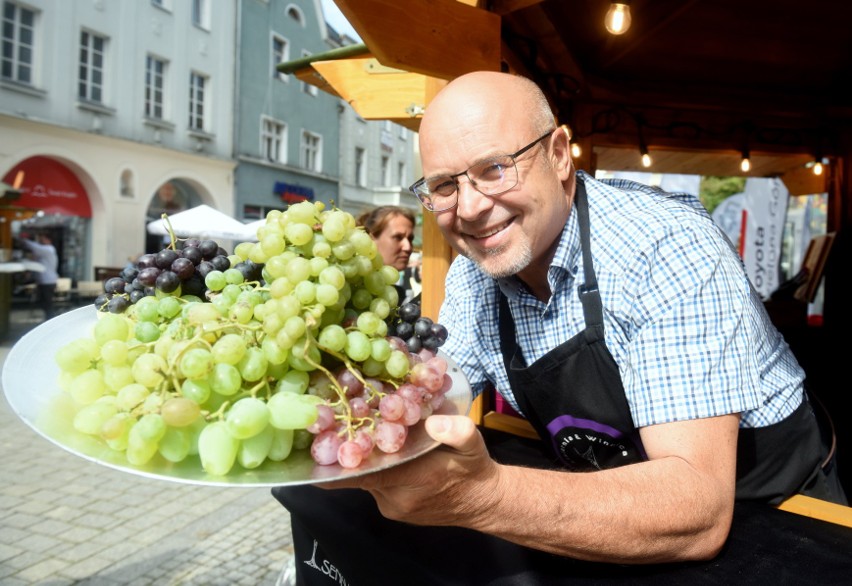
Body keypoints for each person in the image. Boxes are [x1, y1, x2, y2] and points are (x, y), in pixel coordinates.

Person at [273, 72, 846, 583]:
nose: (469, 208)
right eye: (444, 185)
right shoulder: (477, 274)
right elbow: (428, 401)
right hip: (612, 502)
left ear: (560, 154)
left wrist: (480, 495)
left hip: (779, 517)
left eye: (493, 169)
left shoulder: (665, 246)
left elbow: (697, 509)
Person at [356, 205, 416, 302]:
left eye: (410, 238)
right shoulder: (354, 292)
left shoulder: (397, 296)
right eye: (398, 237)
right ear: (371, 239)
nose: (408, 247)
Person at [17, 233, 59, 320]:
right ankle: (48, 320)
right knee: (44, 303)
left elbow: (35, 247)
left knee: (47, 304)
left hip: (48, 281)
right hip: (44, 281)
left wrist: (24, 240)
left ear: (49, 240)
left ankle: (50, 321)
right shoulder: (45, 251)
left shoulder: (48, 249)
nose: (40, 240)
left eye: (42, 238)